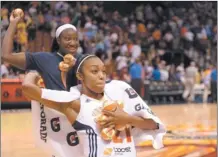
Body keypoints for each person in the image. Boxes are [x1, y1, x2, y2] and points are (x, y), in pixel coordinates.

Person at [22, 54, 166, 157]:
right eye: (94, 71)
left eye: (103, 71)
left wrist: (127, 119)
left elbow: (154, 125)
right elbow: (28, 88)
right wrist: (33, 72)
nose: (102, 75)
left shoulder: (121, 94)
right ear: (80, 76)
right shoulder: (75, 104)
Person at [1, 10, 80, 157]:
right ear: (58, 41)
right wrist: (13, 24)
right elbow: (6, 56)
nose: (73, 42)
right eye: (68, 39)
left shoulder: (83, 61)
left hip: (81, 117)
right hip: (58, 121)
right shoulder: (44, 59)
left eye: (75, 39)